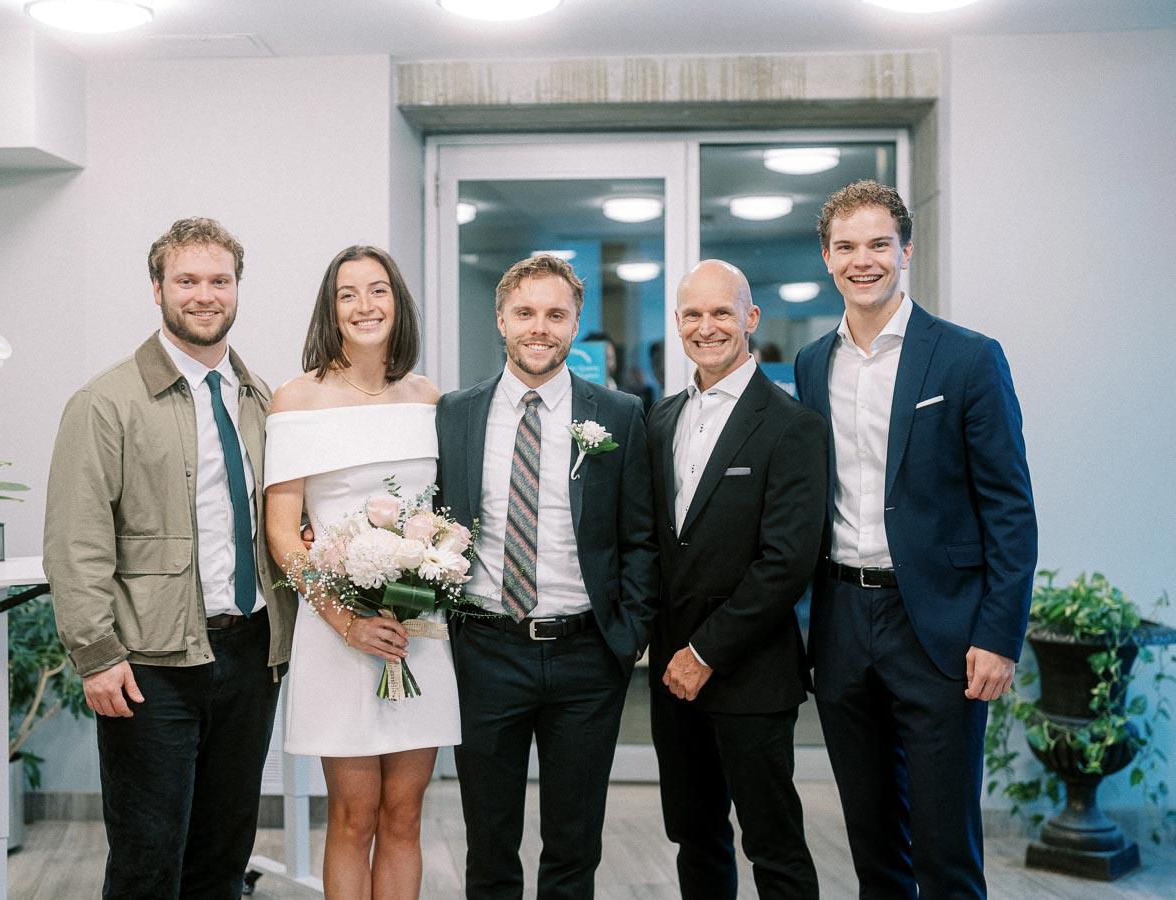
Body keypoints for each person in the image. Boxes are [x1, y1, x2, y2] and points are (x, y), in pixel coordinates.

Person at [794, 181, 1037, 897]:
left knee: (945, 850)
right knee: (873, 843)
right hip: (842, 623)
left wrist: (1000, 634)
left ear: (905, 250)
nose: (861, 260)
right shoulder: (813, 364)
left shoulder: (967, 358)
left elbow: (1010, 509)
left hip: (939, 628)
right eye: (845, 246)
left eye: (877, 244)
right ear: (827, 258)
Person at [44, 217, 297, 898]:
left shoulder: (260, 399)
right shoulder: (105, 403)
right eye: (187, 280)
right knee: (147, 859)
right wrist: (95, 654)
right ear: (157, 289)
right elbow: (76, 540)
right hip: (150, 665)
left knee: (222, 855)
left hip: (249, 658)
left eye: (220, 280)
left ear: (238, 289)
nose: (205, 294)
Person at [435, 254, 658, 899]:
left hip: (588, 657)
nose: (540, 327)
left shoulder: (618, 414)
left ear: (575, 323)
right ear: (501, 318)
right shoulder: (456, 413)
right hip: (486, 650)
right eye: (526, 313)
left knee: (574, 842)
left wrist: (631, 631)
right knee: (490, 839)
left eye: (556, 315)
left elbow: (639, 534)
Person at [263, 245, 459, 899]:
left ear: (398, 303)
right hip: (337, 630)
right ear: (331, 309)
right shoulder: (297, 399)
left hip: (417, 630)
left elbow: (437, 515)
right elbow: (283, 532)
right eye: (348, 294)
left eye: (378, 291)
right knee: (353, 817)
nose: (365, 306)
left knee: (404, 817)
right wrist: (347, 622)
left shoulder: (427, 397)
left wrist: (418, 584)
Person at [646, 260, 826, 899]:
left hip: (751, 674)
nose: (706, 326)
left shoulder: (793, 425)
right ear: (677, 324)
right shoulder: (660, 420)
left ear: (750, 319)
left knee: (774, 847)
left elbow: (787, 562)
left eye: (721, 312)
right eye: (692, 314)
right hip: (673, 678)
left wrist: (705, 652)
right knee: (696, 840)